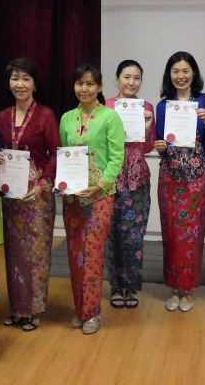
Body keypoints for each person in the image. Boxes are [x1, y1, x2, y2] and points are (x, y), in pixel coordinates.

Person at [58, 64, 125, 334]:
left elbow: (117, 157)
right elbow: (64, 153)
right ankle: (80, 309)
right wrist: (64, 183)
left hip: (100, 196)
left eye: (89, 84)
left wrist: (100, 185)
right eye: (79, 83)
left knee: (93, 253)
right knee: (75, 253)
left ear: (99, 87)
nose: (84, 88)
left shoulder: (110, 117)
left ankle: (92, 312)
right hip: (73, 197)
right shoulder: (66, 118)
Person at [0, 58, 60, 331]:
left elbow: (55, 153)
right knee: (14, 253)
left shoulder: (46, 115)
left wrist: (43, 183)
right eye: (15, 78)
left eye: (25, 79)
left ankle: (34, 309)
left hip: (37, 194)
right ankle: (17, 308)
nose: (19, 84)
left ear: (34, 84)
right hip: (12, 193)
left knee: (36, 252)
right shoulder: (2, 116)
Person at [154, 51, 205, 312]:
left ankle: (189, 289)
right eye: (175, 71)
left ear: (194, 72)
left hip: (196, 179)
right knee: (171, 234)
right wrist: (160, 145)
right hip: (170, 177)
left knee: (192, 235)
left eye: (185, 70)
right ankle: (174, 288)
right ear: (169, 75)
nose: (180, 76)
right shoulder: (163, 106)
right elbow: (161, 142)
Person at [105, 60, 155, 309]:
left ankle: (131, 286)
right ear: (117, 79)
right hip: (111, 178)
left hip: (137, 179)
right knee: (112, 234)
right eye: (127, 77)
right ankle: (116, 286)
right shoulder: (106, 106)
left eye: (136, 78)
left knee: (134, 236)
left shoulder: (147, 107)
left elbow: (147, 147)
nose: (131, 82)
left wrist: (146, 126)